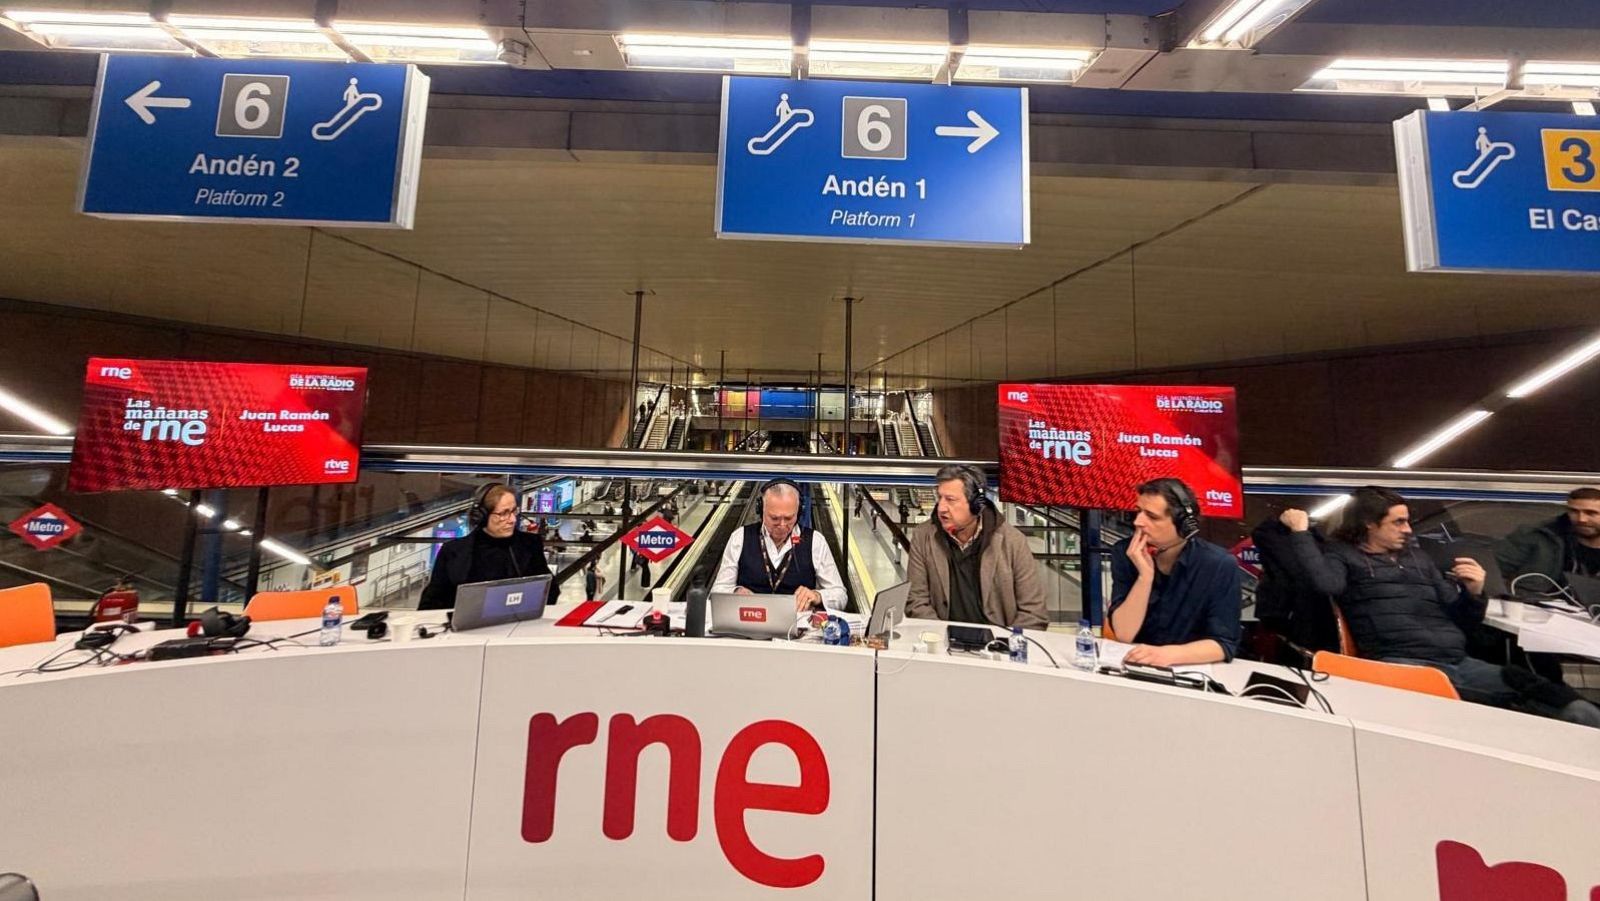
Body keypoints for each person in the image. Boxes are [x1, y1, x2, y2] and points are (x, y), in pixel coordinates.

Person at [1281, 486, 1600, 728]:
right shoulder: (1343, 556)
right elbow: (1325, 583)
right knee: (1548, 709)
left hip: (1456, 659)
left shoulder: (1417, 558)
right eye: (1398, 522)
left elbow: (1456, 610)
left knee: (1556, 696)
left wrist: (1473, 592)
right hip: (1404, 663)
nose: (1408, 529)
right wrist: (1300, 533)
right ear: (1369, 525)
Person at [1108, 478, 1242, 665]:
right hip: (1136, 665)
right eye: (1138, 512)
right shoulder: (1125, 553)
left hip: (1192, 670)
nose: (1138, 522)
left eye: (1152, 517)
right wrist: (1144, 577)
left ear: (1183, 525)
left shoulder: (1218, 564)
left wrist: (1168, 655)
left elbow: (1223, 644)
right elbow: (1124, 633)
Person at [905, 464, 1048, 630]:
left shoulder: (1013, 541)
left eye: (950, 500)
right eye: (940, 498)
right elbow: (916, 602)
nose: (942, 508)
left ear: (975, 504)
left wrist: (1003, 646)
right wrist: (941, 639)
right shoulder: (923, 536)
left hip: (999, 647)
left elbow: (1034, 613)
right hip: (943, 645)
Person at [712, 479, 846, 613]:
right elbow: (716, 592)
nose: (782, 525)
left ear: (799, 512)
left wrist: (817, 596)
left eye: (789, 518)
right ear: (760, 510)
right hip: (750, 623)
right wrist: (735, 592)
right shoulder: (739, 538)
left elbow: (840, 596)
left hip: (796, 628)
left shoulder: (816, 542)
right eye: (774, 518)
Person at [421, 482, 551, 610]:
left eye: (513, 511)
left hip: (519, 626)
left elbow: (550, 592)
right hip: (468, 629)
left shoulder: (530, 544)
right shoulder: (453, 552)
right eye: (503, 513)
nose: (512, 519)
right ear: (482, 516)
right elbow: (431, 603)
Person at [1496, 487, 1600, 592]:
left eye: (1591, 513)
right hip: (1536, 602)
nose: (1581, 519)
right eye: (1574, 511)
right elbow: (1494, 570)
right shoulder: (1538, 535)